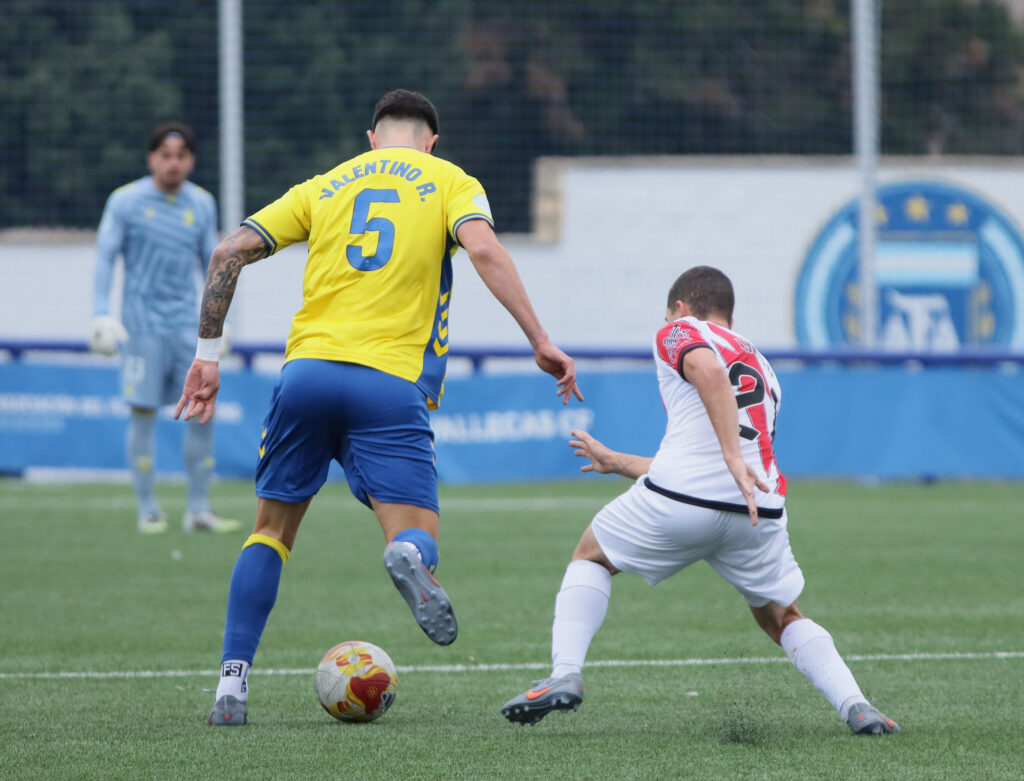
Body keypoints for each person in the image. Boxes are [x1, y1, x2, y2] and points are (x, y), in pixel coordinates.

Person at [174, 89, 584, 726]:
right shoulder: (451, 181)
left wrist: (206, 357)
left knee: (270, 532)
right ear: (431, 141)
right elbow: (482, 250)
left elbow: (228, 252)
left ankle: (232, 683)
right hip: (389, 384)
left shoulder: (326, 184)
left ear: (372, 138)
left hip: (306, 373)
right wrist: (541, 340)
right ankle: (409, 558)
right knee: (416, 534)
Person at [501, 265, 899, 736]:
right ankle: (856, 705)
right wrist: (618, 461)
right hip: (757, 509)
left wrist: (730, 456)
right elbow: (703, 457)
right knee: (783, 616)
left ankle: (565, 672)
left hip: (688, 500)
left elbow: (708, 379)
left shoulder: (678, 331)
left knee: (591, 555)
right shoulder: (764, 367)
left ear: (681, 307)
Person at [90, 121, 241, 536]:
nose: (173, 163)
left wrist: (219, 325)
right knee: (142, 414)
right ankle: (148, 510)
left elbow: (213, 266)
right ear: (152, 158)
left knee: (201, 412)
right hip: (141, 328)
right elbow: (105, 257)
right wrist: (100, 313)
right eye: (165, 155)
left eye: (181, 156)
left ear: (190, 160)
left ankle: (198, 510)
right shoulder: (125, 201)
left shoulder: (202, 203)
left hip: (186, 329)